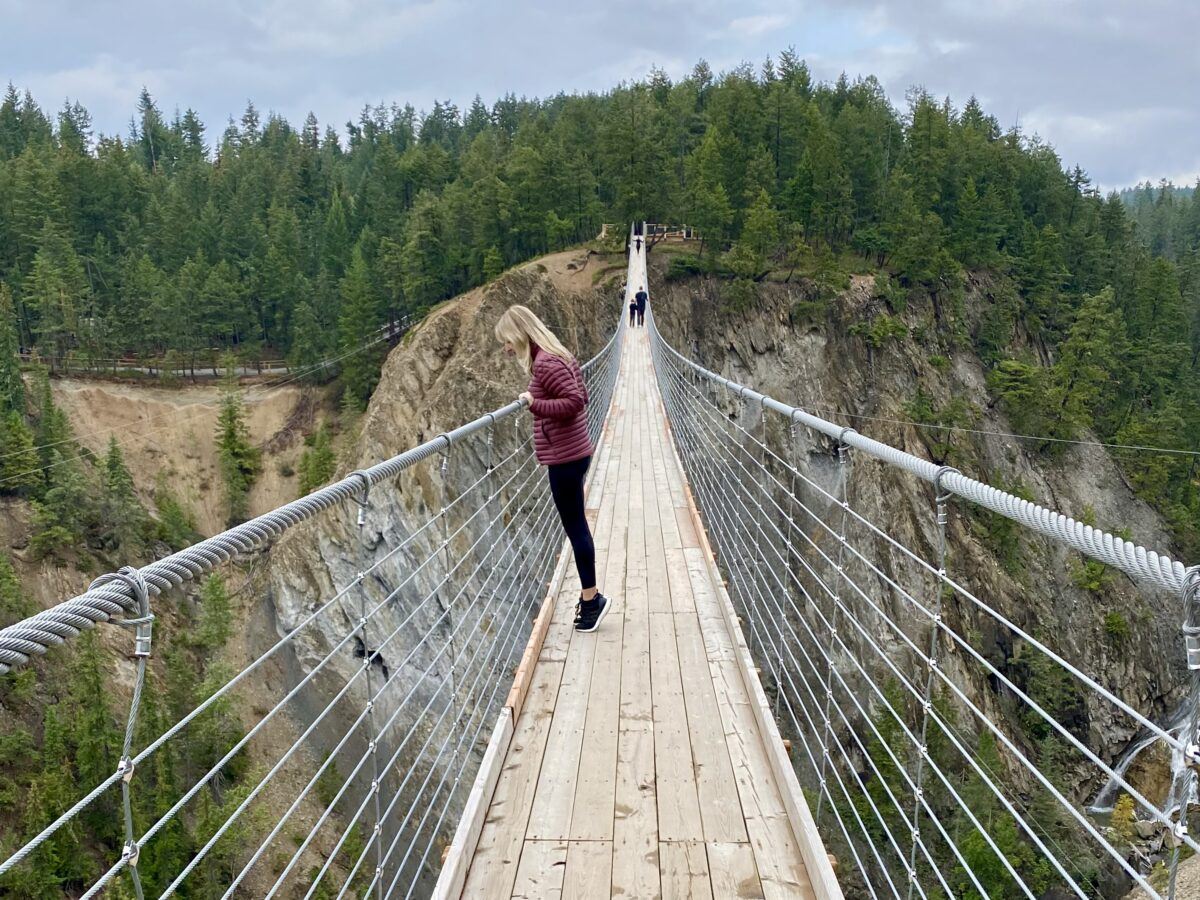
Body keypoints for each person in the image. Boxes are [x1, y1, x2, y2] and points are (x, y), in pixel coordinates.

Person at [495, 305, 611, 632]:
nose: (505, 348)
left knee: (576, 529)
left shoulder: (545, 363)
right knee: (577, 527)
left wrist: (535, 405)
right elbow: (583, 394)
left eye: (506, 341)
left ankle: (592, 602)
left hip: (565, 458)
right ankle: (590, 598)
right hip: (575, 452)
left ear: (519, 334)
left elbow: (575, 401)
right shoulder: (557, 356)